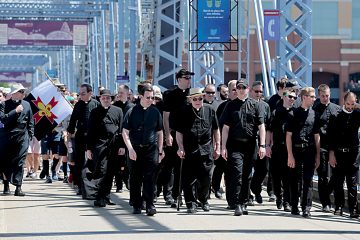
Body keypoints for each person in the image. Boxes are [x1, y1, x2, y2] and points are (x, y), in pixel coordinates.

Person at [220, 79, 266, 216]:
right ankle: (236, 203)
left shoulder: (255, 105)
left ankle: (244, 202)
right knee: (237, 173)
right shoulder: (230, 106)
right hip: (235, 144)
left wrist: (262, 145)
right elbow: (225, 128)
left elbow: (261, 127)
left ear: (248, 89)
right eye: (238, 87)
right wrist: (223, 147)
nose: (241, 90)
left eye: (243, 87)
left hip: (250, 144)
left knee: (247, 175)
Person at [176, 88, 220, 213]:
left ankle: (203, 199)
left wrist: (217, 146)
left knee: (206, 177)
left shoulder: (210, 110)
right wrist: (180, 147)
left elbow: (216, 130)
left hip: (206, 149)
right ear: (190, 100)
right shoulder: (184, 112)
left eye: (200, 98)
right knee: (188, 179)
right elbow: (179, 133)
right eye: (194, 99)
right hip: (189, 150)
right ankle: (190, 202)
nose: (197, 101)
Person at [122, 84, 164, 216]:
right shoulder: (131, 112)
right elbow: (125, 132)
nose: (151, 100)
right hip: (135, 149)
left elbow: (160, 132)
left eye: (152, 98)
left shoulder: (155, 112)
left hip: (151, 149)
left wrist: (161, 151)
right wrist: (130, 149)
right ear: (141, 96)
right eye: (148, 97)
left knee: (150, 178)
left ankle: (149, 204)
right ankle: (136, 204)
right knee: (135, 178)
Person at [285, 87, 320, 218]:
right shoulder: (292, 114)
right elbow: (288, 136)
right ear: (304, 97)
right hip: (296, 150)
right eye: (312, 96)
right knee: (295, 179)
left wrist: (318, 155)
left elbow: (317, 136)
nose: (314, 99)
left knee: (308, 179)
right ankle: (294, 205)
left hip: (309, 150)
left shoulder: (314, 114)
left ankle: (306, 207)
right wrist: (290, 155)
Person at [87, 89, 124, 207]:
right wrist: (89, 149)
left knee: (111, 171)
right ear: (100, 99)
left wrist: (123, 145)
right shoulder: (94, 112)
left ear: (111, 99)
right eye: (103, 98)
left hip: (114, 145)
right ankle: (99, 197)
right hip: (99, 145)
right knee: (101, 171)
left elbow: (122, 129)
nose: (106, 100)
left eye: (108, 98)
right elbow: (90, 131)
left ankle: (106, 197)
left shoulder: (118, 111)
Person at [162, 68, 193, 207]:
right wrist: (167, 134)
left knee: (185, 166)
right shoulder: (169, 94)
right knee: (170, 166)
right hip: (174, 133)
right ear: (179, 79)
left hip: (188, 134)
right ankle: (168, 195)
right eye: (186, 78)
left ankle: (178, 194)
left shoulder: (192, 94)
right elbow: (166, 117)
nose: (188, 81)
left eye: (189, 78)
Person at [328, 91, 360, 218]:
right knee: (338, 182)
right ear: (343, 101)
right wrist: (331, 154)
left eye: (353, 104)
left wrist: (358, 106)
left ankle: (353, 209)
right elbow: (330, 137)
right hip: (338, 153)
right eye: (348, 103)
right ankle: (339, 207)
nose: (350, 107)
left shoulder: (357, 115)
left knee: (352, 183)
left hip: (353, 155)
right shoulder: (335, 115)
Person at [266, 90, 297, 212]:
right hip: (277, 147)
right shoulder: (275, 112)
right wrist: (267, 145)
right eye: (290, 97)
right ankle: (278, 196)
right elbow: (269, 130)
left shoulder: (295, 113)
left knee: (288, 176)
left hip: (290, 149)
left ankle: (286, 201)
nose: (292, 99)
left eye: (294, 97)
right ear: (284, 97)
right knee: (276, 176)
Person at [0, 83, 34, 196]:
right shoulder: (4, 104)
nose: (23, 94)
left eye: (23, 91)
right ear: (15, 93)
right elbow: (3, 119)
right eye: (21, 91)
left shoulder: (27, 104)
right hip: (7, 136)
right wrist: (15, 111)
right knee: (6, 162)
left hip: (23, 136)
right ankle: (6, 185)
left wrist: (30, 135)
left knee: (20, 162)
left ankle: (18, 187)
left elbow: (31, 121)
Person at [67, 83, 100, 196]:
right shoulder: (78, 105)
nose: (81, 96)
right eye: (80, 94)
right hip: (80, 136)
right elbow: (72, 121)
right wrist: (69, 136)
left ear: (90, 93)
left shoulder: (96, 104)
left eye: (83, 94)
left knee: (93, 162)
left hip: (93, 137)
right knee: (79, 162)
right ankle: (80, 186)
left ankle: (93, 187)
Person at [312, 84, 340, 212]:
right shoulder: (315, 109)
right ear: (319, 95)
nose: (325, 98)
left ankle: (329, 194)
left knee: (337, 175)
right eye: (322, 96)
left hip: (335, 146)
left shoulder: (337, 109)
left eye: (327, 96)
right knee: (323, 176)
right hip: (321, 145)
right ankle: (325, 203)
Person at [212, 80, 237, 199]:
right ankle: (216, 187)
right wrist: (218, 144)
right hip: (224, 142)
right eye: (233, 90)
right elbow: (217, 127)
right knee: (221, 167)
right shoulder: (223, 106)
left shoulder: (246, 104)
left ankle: (234, 197)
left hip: (238, 142)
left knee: (234, 171)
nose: (236, 92)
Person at [249, 81, 273, 204]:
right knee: (247, 169)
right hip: (250, 141)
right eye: (256, 91)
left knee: (263, 169)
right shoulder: (247, 104)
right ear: (251, 91)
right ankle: (249, 195)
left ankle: (255, 188)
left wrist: (267, 144)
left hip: (262, 141)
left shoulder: (265, 106)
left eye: (260, 91)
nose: (258, 93)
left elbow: (269, 126)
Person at [113, 84, 135, 192]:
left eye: (121, 93)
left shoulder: (131, 107)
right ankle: (118, 184)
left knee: (127, 163)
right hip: (117, 138)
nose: (119, 94)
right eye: (119, 92)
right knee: (117, 162)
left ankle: (127, 181)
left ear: (127, 93)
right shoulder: (115, 105)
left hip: (128, 138)